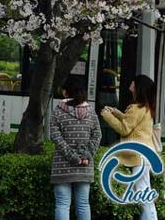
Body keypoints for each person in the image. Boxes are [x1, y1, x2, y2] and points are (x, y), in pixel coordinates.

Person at [101, 74, 158, 220]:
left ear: (138, 87)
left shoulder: (135, 108)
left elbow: (124, 129)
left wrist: (107, 116)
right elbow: (130, 122)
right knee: (143, 193)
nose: (131, 82)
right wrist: (116, 112)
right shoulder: (144, 107)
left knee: (143, 195)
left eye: (134, 82)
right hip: (145, 155)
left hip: (139, 156)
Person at [50, 74, 101, 220]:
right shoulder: (91, 112)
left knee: (62, 204)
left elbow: (55, 136)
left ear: (66, 92)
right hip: (84, 167)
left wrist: (72, 156)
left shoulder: (58, 111)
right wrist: (86, 156)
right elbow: (97, 135)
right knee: (83, 204)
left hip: (62, 167)